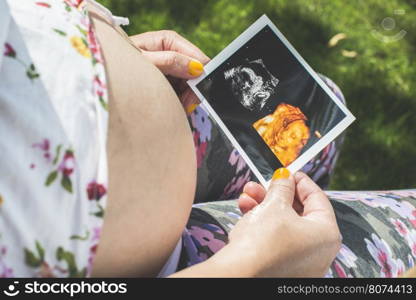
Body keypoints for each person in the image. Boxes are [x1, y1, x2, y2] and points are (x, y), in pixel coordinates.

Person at [0, 0, 415, 278]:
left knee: (322, 116)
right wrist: (250, 266)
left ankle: (300, 205)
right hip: (192, 267)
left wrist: (83, 58)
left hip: (167, 115)